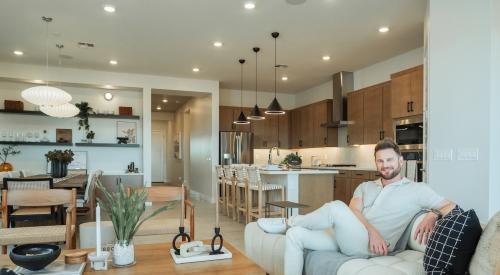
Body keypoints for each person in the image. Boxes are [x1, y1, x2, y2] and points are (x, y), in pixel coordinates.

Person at [283, 138, 456, 275]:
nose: (385, 165)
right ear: (375, 162)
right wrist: (371, 230)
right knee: (294, 236)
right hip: (348, 237)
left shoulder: (417, 189)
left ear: (401, 161)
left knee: (335, 206)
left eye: (390, 160)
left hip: (373, 247)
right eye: (380, 161)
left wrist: (433, 214)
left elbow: (450, 205)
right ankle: (292, 226)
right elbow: (353, 211)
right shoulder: (366, 186)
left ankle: (290, 221)